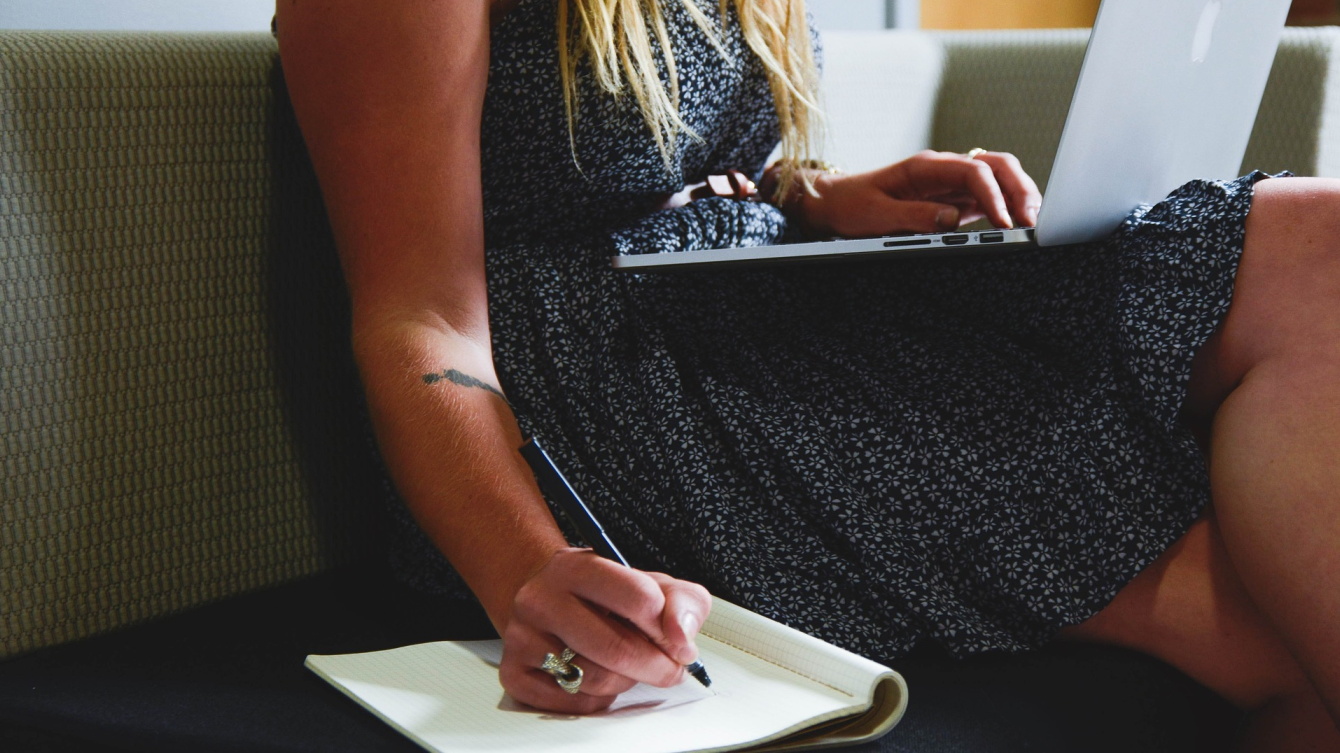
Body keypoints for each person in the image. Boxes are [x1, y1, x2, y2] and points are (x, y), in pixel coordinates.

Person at [273, 0, 1340, 748]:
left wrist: (814, 198)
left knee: (1315, 246)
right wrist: (524, 573)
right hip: (603, 406)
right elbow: (421, 320)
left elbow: (655, 164)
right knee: (1268, 632)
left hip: (738, 322)